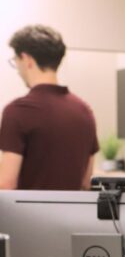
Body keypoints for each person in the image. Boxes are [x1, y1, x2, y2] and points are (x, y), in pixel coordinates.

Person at [0, 24, 98, 190]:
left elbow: (6, 184)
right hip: (70, 208)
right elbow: (86, 182)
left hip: (28, 209)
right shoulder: (84, 111)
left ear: (27, 60)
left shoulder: (17, 111)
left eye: (16, 61)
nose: (17, 69)